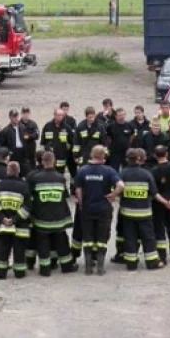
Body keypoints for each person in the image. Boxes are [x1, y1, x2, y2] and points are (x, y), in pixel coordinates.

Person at [74, 145, 123, 276]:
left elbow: (78, 190)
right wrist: (113, 195)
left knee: (88, 238)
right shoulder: (109, 171)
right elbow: (120, 185)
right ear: (103, 156)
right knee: (102, 238)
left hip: (87, 209)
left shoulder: (82, 170)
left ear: (91, 155)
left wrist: (81, 204)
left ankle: (88, 267)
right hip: (103, 209)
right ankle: (100, 268)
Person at [27, 151, 77, 276]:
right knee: (62, 242)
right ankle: (66, 266)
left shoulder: (35, 178)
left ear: (42, 162)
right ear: (54, 161)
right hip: (58, 219)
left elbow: (30, 198)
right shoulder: (60, 178)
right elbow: (64, 196)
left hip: (41, 219)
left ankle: (45, 269)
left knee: (43, 244)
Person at [117, 149, 164, 271]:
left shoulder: (122, 174)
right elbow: (154, 193)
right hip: (144, 213)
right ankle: (152, 262)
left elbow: (117, 191)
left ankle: (131, 264)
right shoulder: (146, 174)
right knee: (148, 237)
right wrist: (167, 203)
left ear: (127, 159)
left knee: (130, 237)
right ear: (138, 159)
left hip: (127, 213)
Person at [71, 107, 106, 261]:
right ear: (86, 117)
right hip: (85, 161)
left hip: (97, 161)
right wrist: (78, 159)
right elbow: (76, 144)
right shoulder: (80, 127)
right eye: (89, 117)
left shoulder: (100, 127)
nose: (92, 119)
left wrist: (104, 158)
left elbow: (104, 144)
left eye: (93, 117)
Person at [0, 161, 32, 280]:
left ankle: (1, 273)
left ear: (7, 171)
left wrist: (2, 218)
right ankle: (19, 273)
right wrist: (14, 219)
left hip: (3, 226)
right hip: (20, 227)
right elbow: (28, 207)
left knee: (2, 249)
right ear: (18, 172)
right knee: (19, 250)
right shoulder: (24, 186)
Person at [41, 108, 74, 175]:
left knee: (60, 174)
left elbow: (72, 141)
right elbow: (43, 142)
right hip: (50, 158)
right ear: (54, 115)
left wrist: (67, 150)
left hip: (61, 157)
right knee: (49, 175)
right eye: (58, 115)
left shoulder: (67, 128)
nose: (60, 117)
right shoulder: (47, 126)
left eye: (62, 115)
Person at [1, 109, 31, 175]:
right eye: (14, 117)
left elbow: (26, 139)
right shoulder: (6, 131)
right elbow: (2, 144)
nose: (16, 118)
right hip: (13, 154)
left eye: (17, 116)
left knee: (26, 172)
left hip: (22, 154)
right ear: (10, 117)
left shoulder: (23, 127)